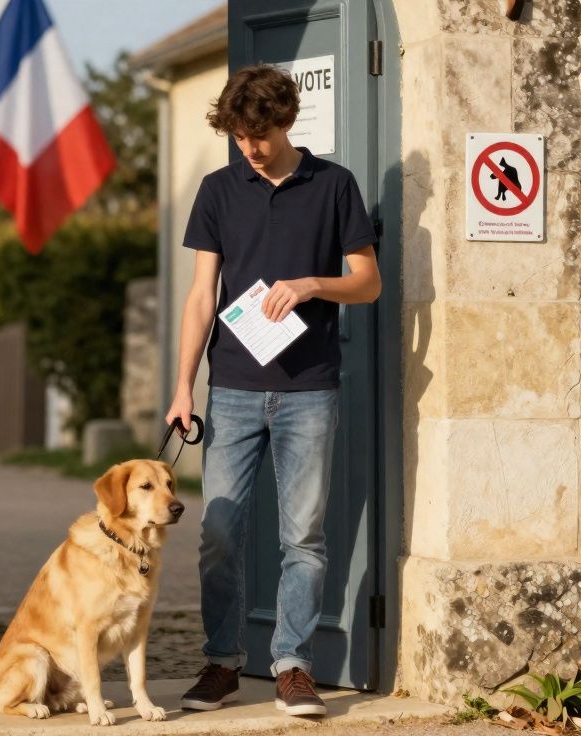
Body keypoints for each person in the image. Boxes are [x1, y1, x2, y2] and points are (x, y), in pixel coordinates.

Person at [165, 64, 381, 718]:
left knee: (302, 538)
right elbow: (203, 295)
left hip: (310, 390)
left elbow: (367, 282)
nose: (249, 149)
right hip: (230, 387)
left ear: (286, 122)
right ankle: (222, 661)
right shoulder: (218, 190)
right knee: (219, 531)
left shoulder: (334, 185)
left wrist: (314, 285)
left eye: (258, 135)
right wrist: (182, 386)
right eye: (238, 136)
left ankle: (292, 665)